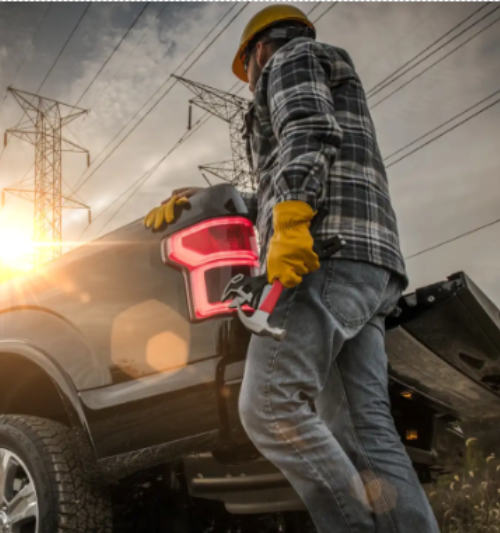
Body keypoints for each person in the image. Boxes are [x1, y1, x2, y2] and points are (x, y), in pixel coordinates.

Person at [144, 5, 439, 532]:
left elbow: (307, 129)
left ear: (258, 50)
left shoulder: (291, 58)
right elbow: (297, 167)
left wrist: (295, 220)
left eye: (247, 70)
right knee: (366, 429)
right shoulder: (328, 69)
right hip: (371, 266)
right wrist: (210, 199)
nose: (249, 82)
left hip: (326, 253)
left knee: (269, 407)